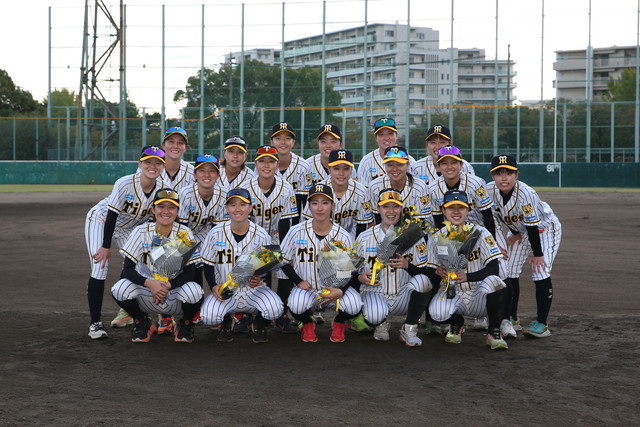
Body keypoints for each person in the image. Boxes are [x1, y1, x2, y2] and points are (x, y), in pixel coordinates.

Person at [85, 145, 168, 339]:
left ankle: (135, 315)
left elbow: (154, 220)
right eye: (148, 162)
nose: (152, 166)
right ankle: (95, 324)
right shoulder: (124, 183)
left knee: (140, 267)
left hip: (128, 228)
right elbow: (112, 216)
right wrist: (105, 246)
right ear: (140, 164)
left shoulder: (163, 188)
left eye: (157, 163)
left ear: (162, 166)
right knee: (100, 267)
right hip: (101, 220)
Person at [110, 188, 204, 343]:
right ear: (153, 209)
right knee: (119, 289)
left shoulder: (184, 233)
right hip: (146, 292)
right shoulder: (140, 232)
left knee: (195, 292)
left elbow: (190, 272)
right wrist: (150, 283)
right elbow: (127, 270)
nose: (166, 211)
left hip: (173, 294)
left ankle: (185, 324)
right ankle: (141, 321)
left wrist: (168, 285)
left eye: (171, 207)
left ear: (177, 211)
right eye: (161, 206)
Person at [487, 155, 562, 338]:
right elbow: (494, 218)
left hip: (544, 229)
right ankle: (511, 317)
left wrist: (538, 254)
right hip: (520, 230)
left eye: (509, 173)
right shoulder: (489, 191)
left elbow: (532, 226)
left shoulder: (526, 193)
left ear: (516, 175)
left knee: (540, 270)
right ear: (492, 176)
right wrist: (512, 233)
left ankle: (542, 324)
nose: (504, 178)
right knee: (509, 270)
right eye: (499, 173)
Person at [278, 184, 363, 343]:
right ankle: (307, 323)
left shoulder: (343, 236)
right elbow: (283, 260)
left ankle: (339, 322)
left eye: (325, 203)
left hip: (333, 290)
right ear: (309, 206)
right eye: (315, 203)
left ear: (332, 205)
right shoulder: (296, 231)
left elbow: (352, 271)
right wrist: (298, 281)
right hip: (308, 290)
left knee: (354, 305)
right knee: (295, 305)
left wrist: (341, 290)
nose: (319, 208)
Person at [199, 188, 284, 344]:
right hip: (225, 291)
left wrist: (259, 277)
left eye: (242, 205)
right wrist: (213, 286)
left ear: (250, 208)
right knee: (208, 317)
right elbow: (208, 264)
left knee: (275, 309)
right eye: (232, 205)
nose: (237, 209)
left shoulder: (261, 235)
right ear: (226, 208)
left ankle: (258, 323)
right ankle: (226, 321)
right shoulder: (215, 233)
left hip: (253, 290)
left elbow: (266, 267)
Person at [427, 145, 498, 332]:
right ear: (438, 166)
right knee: (450, 274)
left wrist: (493, 244)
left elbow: (488, 216)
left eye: (454, 162)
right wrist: (444, 246)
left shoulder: (476, 183)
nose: (450, 166)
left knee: (500, 272)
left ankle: (503, 319)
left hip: (480, 231)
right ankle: (454, 317)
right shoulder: (433, 187)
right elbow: (438, 221)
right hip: (450, 232)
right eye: (445, 163)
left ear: (461, 164)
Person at [426, 190, 509, 350]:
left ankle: (494, 332)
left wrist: (467, 276)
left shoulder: (481, 233)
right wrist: (437, 272)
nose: (456, 212)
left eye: (461, 207)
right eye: (451, 207)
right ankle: (457, 323)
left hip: (479, 295)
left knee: (496, 282)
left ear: (468, 210)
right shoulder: (436, 238)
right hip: (453, 294)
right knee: (436, 314)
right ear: (443, 210)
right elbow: (430, 273)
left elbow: (493, 268)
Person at [355, 189, 432, 347]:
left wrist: (408, 266)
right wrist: (358, 277)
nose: (391, 211)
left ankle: (409, 328)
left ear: (401, 209)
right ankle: (380, 324)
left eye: (395, 206)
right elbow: (349, 271)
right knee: (373, 315)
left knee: (423, 281)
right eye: (386, 206)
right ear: (378, 209)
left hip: (403, 296)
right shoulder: (364, 237)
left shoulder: (414, 236)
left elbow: (426, 273)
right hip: (375, 293)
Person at [239, 145, 299, 334]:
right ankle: (248, 313)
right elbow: (242, 219)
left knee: (284, 270)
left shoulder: (286, 188)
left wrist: (281, 252)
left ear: (277, 164)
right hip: (251, 237)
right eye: (262, 161)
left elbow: (287, 222)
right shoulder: (245, 188)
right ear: (255, 164)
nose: (266, 165)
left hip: (277, 237)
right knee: (251, 272)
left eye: (271, 161)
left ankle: (280, 314)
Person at [301, 149, 373, 238]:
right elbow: (308, 220)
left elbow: (362, 225)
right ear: (329, 169)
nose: (341, 173)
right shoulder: (318, 190)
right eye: (336, 168)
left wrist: (354, 245)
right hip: (319, 237)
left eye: (346, 168)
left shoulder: (361, 192)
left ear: (351, 170)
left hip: (349, 239)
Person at [368, 146, 431, 224]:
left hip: (414, 230)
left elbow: (421, 223)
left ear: (408, 165)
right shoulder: (375, 186)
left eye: (400, 164)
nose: (395, 169)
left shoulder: (420, 187)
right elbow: (378, 219)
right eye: (390, 165)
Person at [357, 117, 415, 188]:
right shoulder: (366, 161)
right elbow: (364, 190)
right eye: (381, 135)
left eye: (390, 134)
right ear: (376, 138)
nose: (386, 138)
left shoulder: (410, 160)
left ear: (396, 136)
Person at [270, 122, 312, 216]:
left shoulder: (303, 166)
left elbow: (303, 200)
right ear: (271, 142)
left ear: (293, 142)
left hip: (295, 219)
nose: (283, 142)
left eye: (287, 138)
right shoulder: (264, 166)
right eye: (278, 138)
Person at [160, 126, 195, 191]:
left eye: (180, 143)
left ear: (185, 148)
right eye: (171, 141)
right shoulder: (150, 169)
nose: (175, 146)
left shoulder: (193, 172)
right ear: (163, 145)